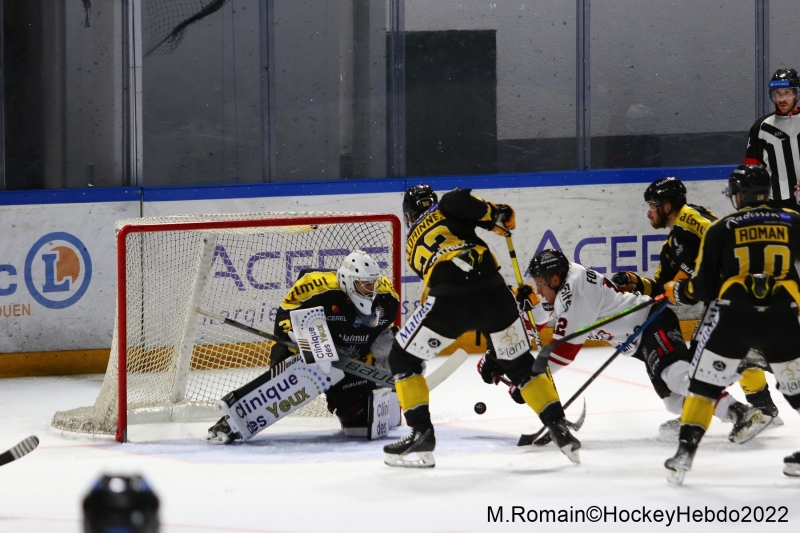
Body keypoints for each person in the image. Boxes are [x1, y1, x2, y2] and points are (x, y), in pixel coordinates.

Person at [383, 185, 580, 468]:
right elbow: (457, 200)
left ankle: (421, 432)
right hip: (495, 294)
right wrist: (494, 215)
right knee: (521, 365)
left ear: (408, 215)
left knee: (402, 358)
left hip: (450, 302)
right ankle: (558, 425)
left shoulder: (412, 243)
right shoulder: (444, 209)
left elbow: (450, 276)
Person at [511, 249, 768, 445]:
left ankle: (740, 412)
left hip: (651, 323)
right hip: (640, 339)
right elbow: (545, 313)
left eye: (540, 284)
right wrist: (528, 309)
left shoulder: (574, 292)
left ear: (555, 279)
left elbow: (563, 352)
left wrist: (529, 382)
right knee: (674, 401)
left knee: (676, 376)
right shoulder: (567, 279)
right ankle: (728, 375)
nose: (539, 289)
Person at [663, 164, 800, 483]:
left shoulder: (721, 228)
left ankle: (684, 453)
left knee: (704, 387)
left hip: (734, 317)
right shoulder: (794, 221)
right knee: (796, 389)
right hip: (782, 316)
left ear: (740, 195)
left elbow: (704, 289)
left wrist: (678, 290)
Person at [612, 177, 782, 426]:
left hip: (735, 292)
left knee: (705, 363)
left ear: (667, 206)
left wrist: (696, 270)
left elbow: (723, 235)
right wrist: (635, 282)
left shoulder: (688, 216)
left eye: (652, 205)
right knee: (699, 363)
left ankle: (743, 364)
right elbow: (662, 288)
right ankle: (764, 411)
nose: (648, 212)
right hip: (724, 298)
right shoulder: (672, 245)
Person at [207, 250, 400, 443]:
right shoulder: (316, 286)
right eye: (363, 284)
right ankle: (232, 422)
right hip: (307, 355)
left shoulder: (387, 298)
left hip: (349, 364)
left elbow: (382, 334)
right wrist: (305, 341)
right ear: (347, 281)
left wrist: (396, 356)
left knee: (360, 420)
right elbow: (284, 317)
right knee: (297, 377)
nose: (370, 289)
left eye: (371, 284)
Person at [745, 68, 800, 211]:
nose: (781, 99)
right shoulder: (761, 127)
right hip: (776, 204)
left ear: (797, 94)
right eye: (777, 94)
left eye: (787, 93)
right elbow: (752, 168)